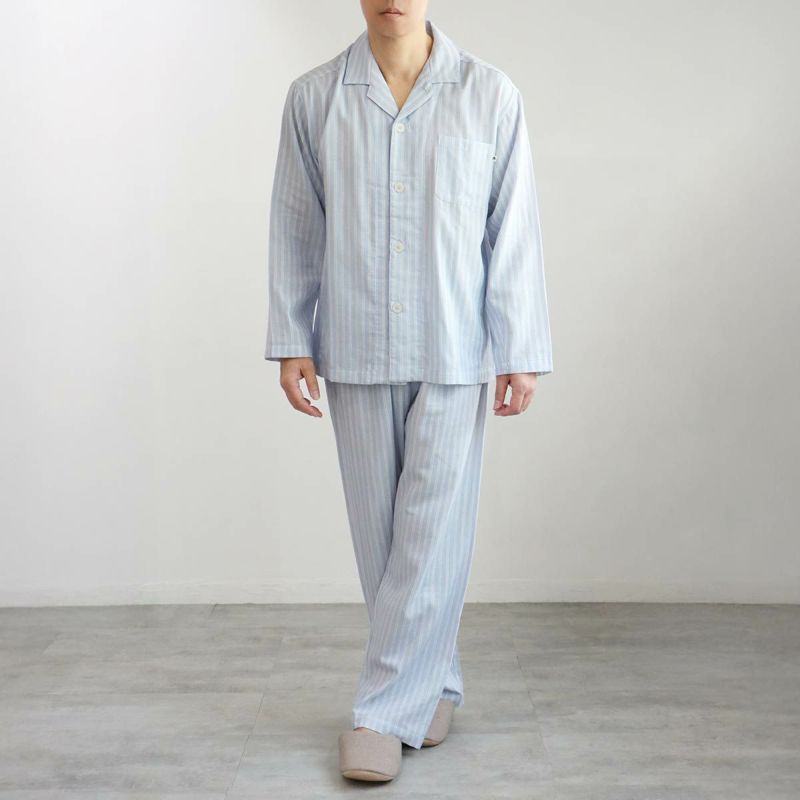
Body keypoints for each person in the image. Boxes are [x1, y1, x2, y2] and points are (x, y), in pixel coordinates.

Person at [264, 0, 552, 782]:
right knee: (384, 542)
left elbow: (511, 229)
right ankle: (435, 684)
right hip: (354, 344)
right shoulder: (314, 99)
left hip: (454, 347)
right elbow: (295, 222)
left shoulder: (490, 95)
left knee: (429, 532)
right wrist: (292, 336)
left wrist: (519, 348)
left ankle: (382, 714)